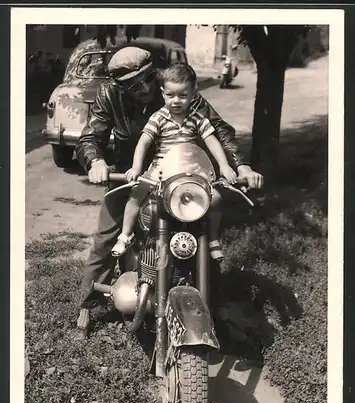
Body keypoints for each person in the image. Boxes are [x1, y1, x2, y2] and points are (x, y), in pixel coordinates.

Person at [75, 46, 263, 337]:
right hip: (131, 175)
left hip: (179, 178)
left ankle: (213, 302)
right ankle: (88, 304)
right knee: (106, 237)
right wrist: (96, 160)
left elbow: (219, 130)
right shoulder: (108, 95)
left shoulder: (179, 91)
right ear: (120, 86)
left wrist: (242, 166)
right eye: (135, 85)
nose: (146, 88)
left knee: (201, 231)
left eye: (149, 78)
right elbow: (91, 136)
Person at [111, 63, 238, 261]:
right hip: (162, 170)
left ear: (194, 93)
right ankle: (125, 235)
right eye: (171, 95)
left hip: (192, 171)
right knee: (136, 195)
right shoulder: (159, 117)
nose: (176, 101)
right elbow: (144, 142)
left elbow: (212, 141)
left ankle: (213, 239)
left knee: (215, 199)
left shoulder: (197, 118)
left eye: (183, 95)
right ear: (162, 93)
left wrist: (225, 166)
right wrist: (137, 167)